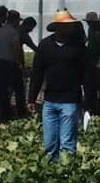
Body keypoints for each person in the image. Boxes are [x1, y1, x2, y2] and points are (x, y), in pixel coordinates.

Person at [27, 10, 89, 163]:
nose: (69, 29)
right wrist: (31, 98)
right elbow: (37, 73)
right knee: (49, 143)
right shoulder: (45, 45)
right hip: (49, 101)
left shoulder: (79, 49)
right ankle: (52, 172)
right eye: (65, 26)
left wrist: (89, 100)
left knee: (67, 143)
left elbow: (87, 76)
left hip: (70, 101)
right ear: (57, 27)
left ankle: (66, 173)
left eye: (70, 26)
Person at [0, 9, 25, 119]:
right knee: (18, 88)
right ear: (16, 20)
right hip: (11, 63)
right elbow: (17, 48)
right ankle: (20, 111)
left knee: (2, 88)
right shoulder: (13, 32)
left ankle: (5, 112)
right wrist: (21, 62)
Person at [83, 11, 100, 114]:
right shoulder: (90, 29)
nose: (89, 23)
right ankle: (92, 104)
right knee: (90, 83)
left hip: (99, 58)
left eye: (90, 21)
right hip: (90, 57)